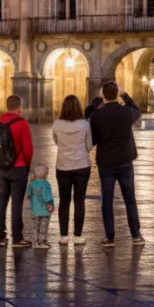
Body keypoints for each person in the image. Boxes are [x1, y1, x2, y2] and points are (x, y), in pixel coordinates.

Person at [86, 81, 144, 247]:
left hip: (106, 162)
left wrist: (97, 101)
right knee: (130, 198)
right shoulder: (127, 112)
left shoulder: (97, 115)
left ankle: (110, 236)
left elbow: (93, 134)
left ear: (103, 94)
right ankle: (136, 235)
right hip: (125, 160)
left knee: (107, 200)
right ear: (117, 93)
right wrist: (125, 95)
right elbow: (137, 111)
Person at [0, 95, 34, 247]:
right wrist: (27, 165)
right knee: (17, 203)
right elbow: (28, 149)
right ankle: (17, 237)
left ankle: (0, 236)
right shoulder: (21, 123)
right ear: (19, 107)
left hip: (2, 167)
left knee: (1, 201)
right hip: (18, 167)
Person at [52, 94, 93, 245]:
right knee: (79, 201)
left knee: (64, 201)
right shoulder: (85, 124)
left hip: (63, 166)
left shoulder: (56, 124)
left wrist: (66, 149)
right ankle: (77, 236)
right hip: (82, 166)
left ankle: (63, 236)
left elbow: (56, 141)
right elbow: (89, 145)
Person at [25, 163, 55, 249]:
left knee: (37, 226)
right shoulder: (45, 184)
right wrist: (50, 204)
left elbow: (29, 195)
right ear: (45, 175)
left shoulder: (32, 184)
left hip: (35, 210)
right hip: (45, 209)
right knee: (43, 226)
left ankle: (38, 241)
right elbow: (47, 196)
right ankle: (41, 242)